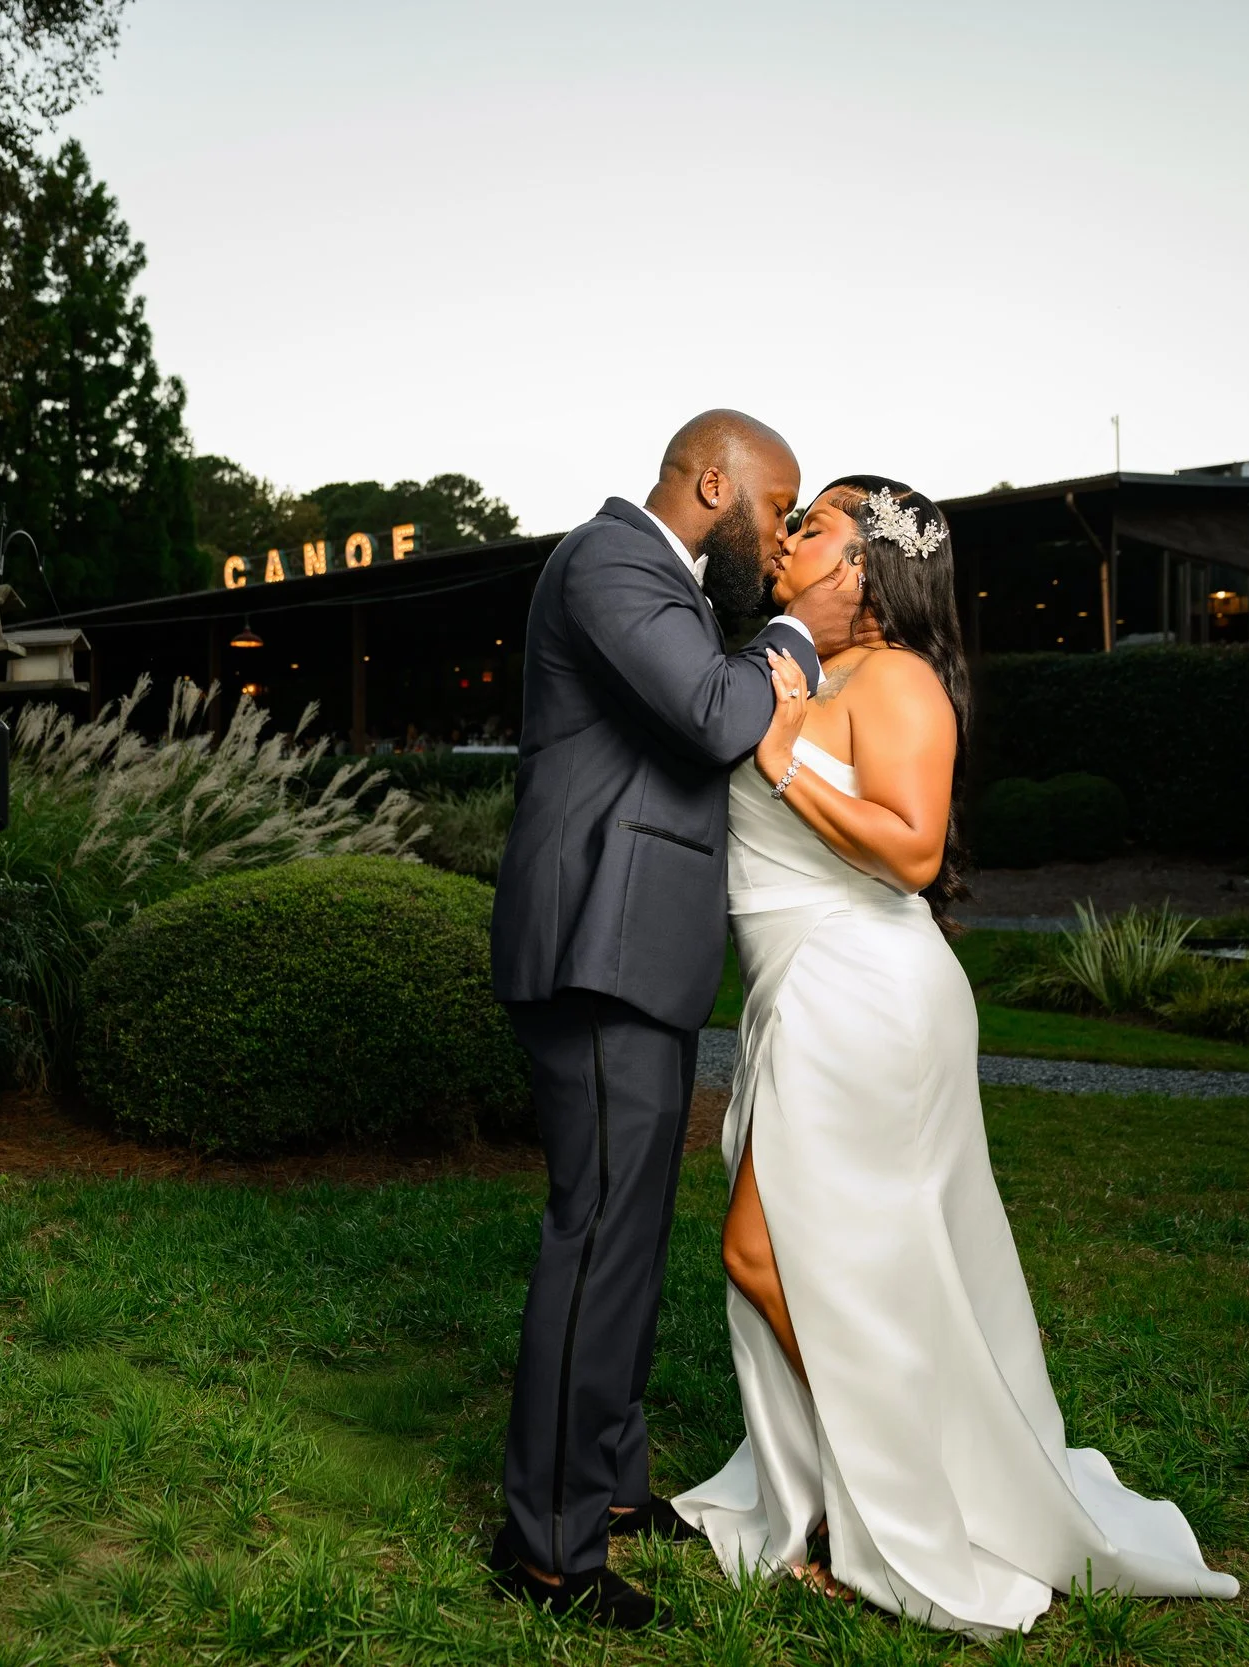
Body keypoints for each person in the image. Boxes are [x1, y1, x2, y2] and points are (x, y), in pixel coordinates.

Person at [671, 478, 1239, 1636]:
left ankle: (899, 1500)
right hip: (797, 989)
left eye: (812, 523)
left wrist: (781, 757)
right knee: (829, 1263)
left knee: (765, 1253)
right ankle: (868, 1487)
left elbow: (915, 849)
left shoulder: (898, 678)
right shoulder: (803, 668)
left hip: (864, 991)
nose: (785, 537)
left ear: (864, 567)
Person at [486, 411, 866, 1628]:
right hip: (595, 950)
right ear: (717, 483)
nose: (789, 527)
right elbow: (713, 717)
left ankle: (601, 1483)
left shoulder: (665, 585)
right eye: (782, 502)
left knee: (630, 1237)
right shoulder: (609, 561)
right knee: (598, 1236)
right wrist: (804, 630)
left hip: (631, 953)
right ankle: (545, 1548)